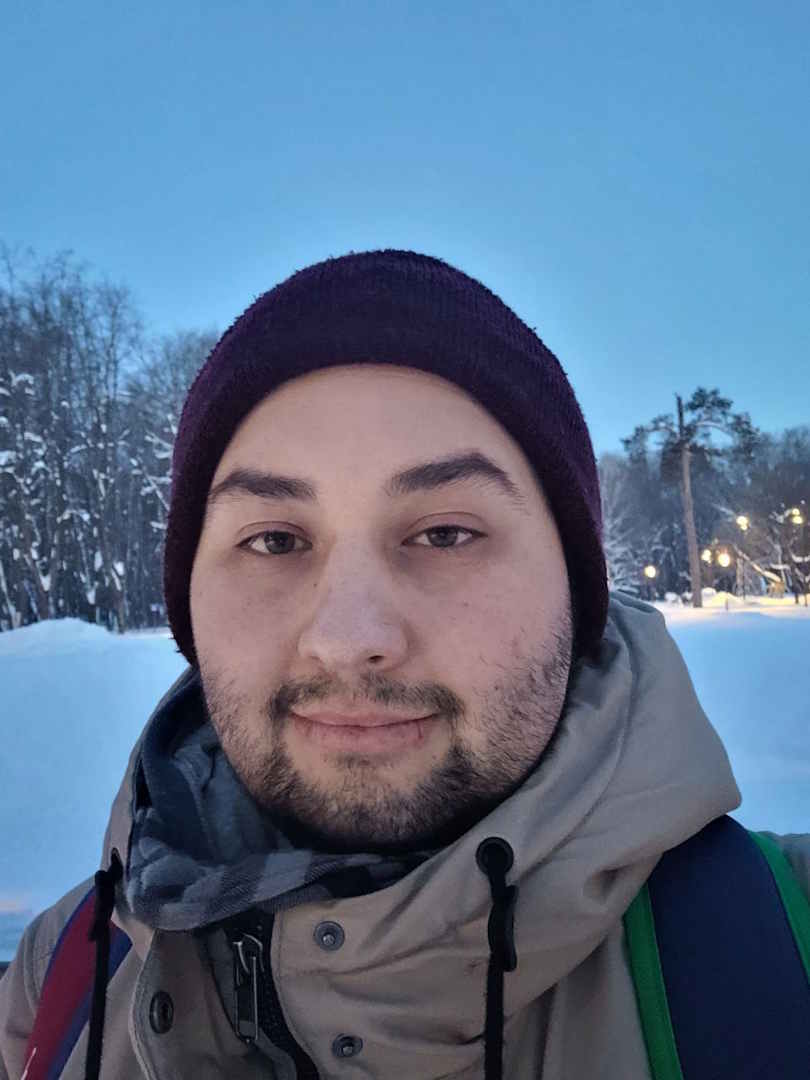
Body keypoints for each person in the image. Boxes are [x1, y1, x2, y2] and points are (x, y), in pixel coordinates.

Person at [0, 249, 807, 1079]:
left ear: (576, 589)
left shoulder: (784, 949)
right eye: (274, 540)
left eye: (445, 534)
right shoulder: (59, 983)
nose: (348, 637)